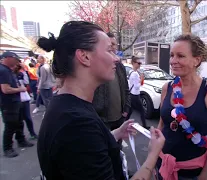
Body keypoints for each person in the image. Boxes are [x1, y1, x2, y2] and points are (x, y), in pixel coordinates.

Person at [36, 21, 165, 180]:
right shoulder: (77, 124)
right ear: (84, 56)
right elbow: (83, 139)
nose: (116, 59)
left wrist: (115, 133)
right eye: (110, 50)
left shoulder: (68, 106)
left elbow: (87, 148)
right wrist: (152, 156)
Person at [156, 34, 207, 180]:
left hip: (192, 173)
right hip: (162, 166)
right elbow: (162, 125)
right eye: (172, 55)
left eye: (180, 56)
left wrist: (203, 177)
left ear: (197, 60)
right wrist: (152, 161)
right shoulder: (166, 88)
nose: (173, 61)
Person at [92, 32, 131, 132]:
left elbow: (126, 90)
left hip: (119, 119)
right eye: (110, 45)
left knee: (117, 145)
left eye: (114, 44)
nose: (113, 47)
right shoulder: (96, 67)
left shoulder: (120, 67)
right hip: (103, 121)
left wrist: (126, 110)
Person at [0, 52, 34, 158]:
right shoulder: (3, 70)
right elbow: (5, 89)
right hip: (8, 103)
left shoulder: (9, 70)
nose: (17, 62)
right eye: (15, 59)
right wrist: (21, 89)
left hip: (16, 101)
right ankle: (7, 148)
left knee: (19, 122)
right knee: (10, 125)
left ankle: (21, 140)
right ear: (8, 58)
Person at [13, 63, 38, 139]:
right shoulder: (9, 75)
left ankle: (32, 133)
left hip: (23, 98)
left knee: (27, 117)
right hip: (15, 99)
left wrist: (24, 71)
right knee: (18, 119)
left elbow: (26, 84)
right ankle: (20, 136)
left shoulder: (21, 74)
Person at [127, 56, 148, 129]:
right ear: (133, 63)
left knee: (130, 110)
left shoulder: (131, 71)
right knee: (142, 110)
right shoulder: (135, 74)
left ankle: (123, 124)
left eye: (140, 63)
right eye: (138, 63)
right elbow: (136, 86)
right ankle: (144, 126)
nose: (139, 65)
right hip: (135, 95)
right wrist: (141, 79)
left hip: (132, 94)